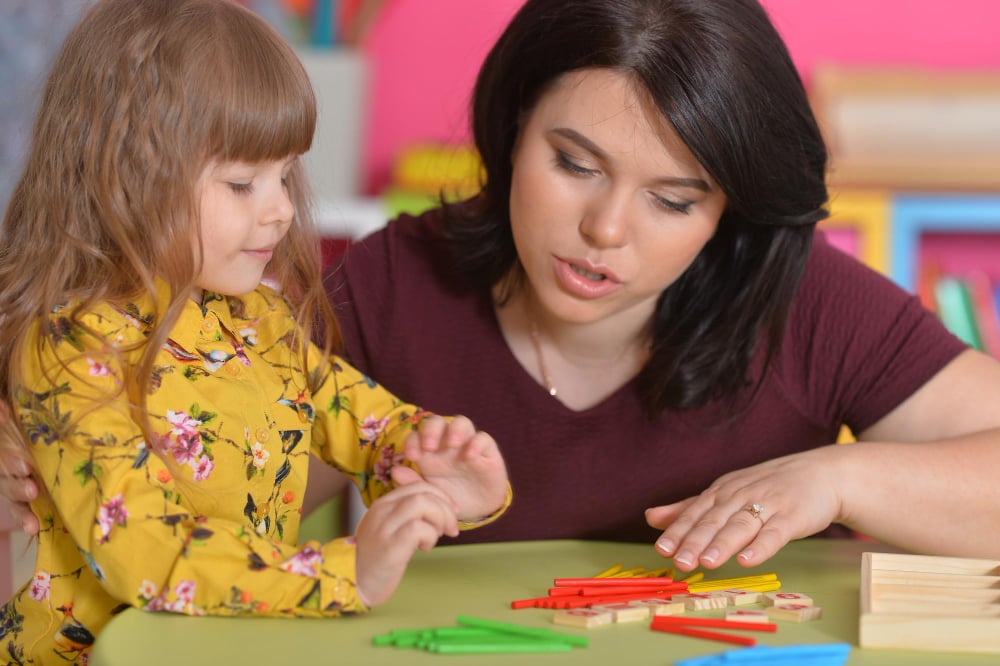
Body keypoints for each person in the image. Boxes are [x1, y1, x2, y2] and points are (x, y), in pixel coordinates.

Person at [6, 0, 1000, 577]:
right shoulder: (399, 283)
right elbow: (212, 502)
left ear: (729, 211)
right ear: (510, 130)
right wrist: (55, 443)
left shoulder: (803, 301)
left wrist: (838, 477)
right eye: (572, 165)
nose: (605, 231)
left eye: (672, 198)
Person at [0, 0, 509, 663]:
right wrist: (344, 573)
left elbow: (365, 420)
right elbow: (143, 551)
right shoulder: (70, 349)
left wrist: (443, 472)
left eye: (284, 174)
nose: (280, 211)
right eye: (242, 184)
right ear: (126, 177)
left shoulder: (260, 320)